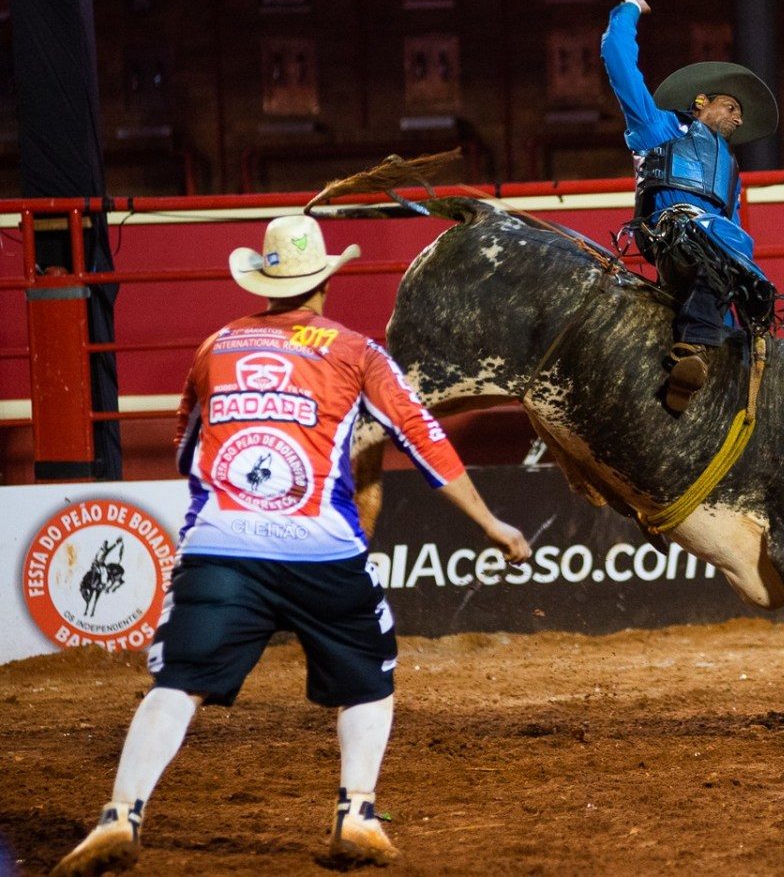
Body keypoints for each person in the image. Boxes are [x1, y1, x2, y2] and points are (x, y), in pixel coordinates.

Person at [52, 215, 531, 876]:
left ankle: (120, 813)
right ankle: (357, 812)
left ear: (267, 279)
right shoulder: (355, 351)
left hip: (221, 546)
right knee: (368, 677)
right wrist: (490, 523)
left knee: (177, 684)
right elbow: (423, 439)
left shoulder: (215, 346)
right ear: (325, 282)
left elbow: (187, 449)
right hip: (320, 548)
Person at [602, 0, 779, 412]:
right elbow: (619, 61)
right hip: (673, 237)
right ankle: (694, 349)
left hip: (716, 251)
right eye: (732, 107)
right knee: (718, 253)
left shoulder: (731, 171)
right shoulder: (659, 127)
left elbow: (735, 230)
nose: (738, 120)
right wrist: (629, 9)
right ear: (702, 101)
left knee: (742, 272)